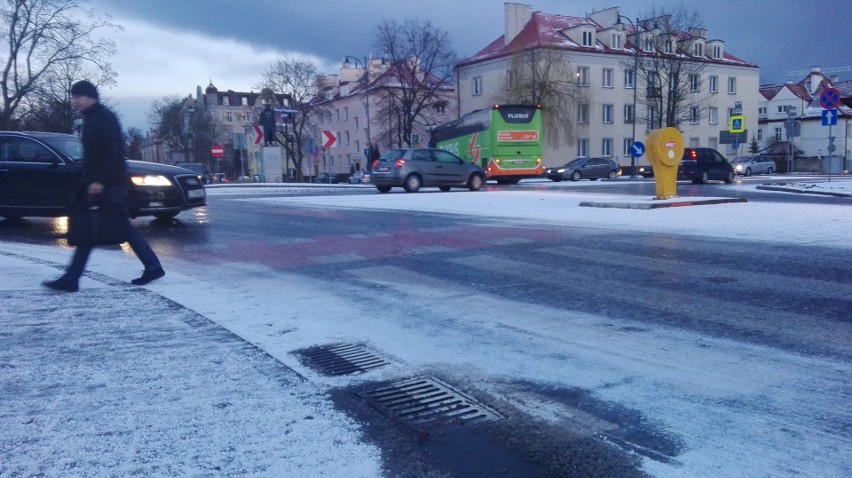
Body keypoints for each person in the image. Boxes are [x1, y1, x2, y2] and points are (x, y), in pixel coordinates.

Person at [42, 80, 165, 292]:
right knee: (100, 229)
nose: (74, 101)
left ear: (90, 96)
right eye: (73, 97)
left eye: (77, 97)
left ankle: (72, 279)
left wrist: (100, 180)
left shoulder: (104, 119)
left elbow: (115, 153)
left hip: (109, 184)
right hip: (99, 183)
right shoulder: (92, 119)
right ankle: (73, 278)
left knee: (104, 229)